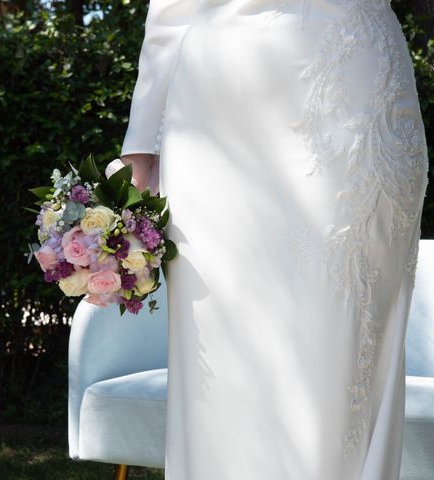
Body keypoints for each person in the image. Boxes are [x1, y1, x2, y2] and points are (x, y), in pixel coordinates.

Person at [118, 0, 430, 478]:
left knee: (339, 337)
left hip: (355, 82)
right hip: (221, 104)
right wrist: (140, 149)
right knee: (223, 335)